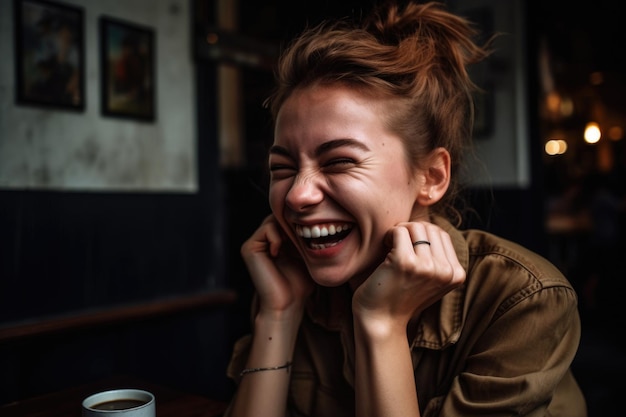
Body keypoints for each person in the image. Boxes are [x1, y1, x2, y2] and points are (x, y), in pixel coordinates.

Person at [223, 1, 587, 416]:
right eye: (282, 168)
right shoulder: (293, 282)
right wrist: (278, 314)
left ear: (431, 177)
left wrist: (381, 324)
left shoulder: (523, 300)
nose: (295, 196)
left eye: (339, 161)